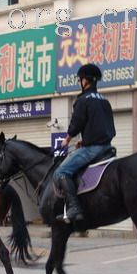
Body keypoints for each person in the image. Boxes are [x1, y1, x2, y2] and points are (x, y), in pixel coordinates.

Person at [53, 63, 116, 222]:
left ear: (86, 81)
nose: (80, 82)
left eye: (80, 80)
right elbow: (102, 125)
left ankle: (74, 208)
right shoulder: (104, 101)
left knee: (61, 172)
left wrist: (67, 140)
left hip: (93, 149)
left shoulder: (83, 100)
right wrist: (84, 140)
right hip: (107, 147)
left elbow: (77, 123)